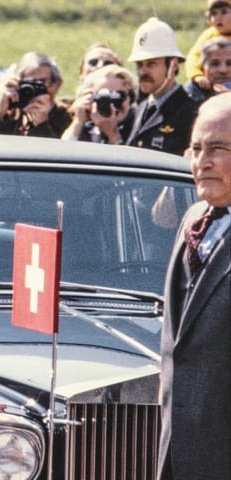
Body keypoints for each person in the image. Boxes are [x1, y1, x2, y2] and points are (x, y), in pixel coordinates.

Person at [157, 92, 231, 480]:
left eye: (217, 148)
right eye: (197, 148)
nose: (202, 162)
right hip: (178, 449)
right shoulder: (194, 218)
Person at [125, 17, 198, 156]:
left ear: (173, 65)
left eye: (151, 64)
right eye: (139, 65)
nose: (143, 72)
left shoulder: (190, 113)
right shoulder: (140, 109)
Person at [0, 51, 71, 138]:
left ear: (56, 84)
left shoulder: (67, 115)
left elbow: (59, 153)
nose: (34, 89)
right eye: (28, 82)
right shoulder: (10, 112)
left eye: (42, 82)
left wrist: (42, 123)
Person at [62, 64, 137, 144]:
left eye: (119, 95)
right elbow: (63, 151)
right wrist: (78, 122)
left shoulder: (138, 125)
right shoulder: (85, 127)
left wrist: (113, 135)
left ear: (130, 98)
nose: (112, 104)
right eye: (104, 98)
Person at [185, 0, 231, 92]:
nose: (219, 18)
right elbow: (194, 56)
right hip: (211, 80)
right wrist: (197, 75)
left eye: (224, 12)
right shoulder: (209, 35)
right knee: (190, 87)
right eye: (214, 14)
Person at [185, 36, 231, 105]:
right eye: (215, 64)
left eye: (229, 64)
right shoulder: (193, 89)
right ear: (202, 66)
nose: (223, 70)